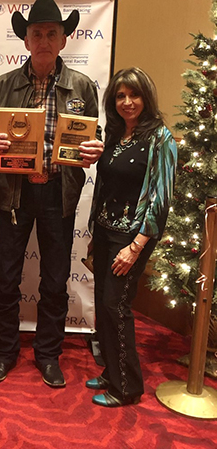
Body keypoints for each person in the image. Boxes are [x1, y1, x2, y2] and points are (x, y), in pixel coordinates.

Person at [0, 0, 104, 388]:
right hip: (13, 195)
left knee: (54, 279)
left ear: (64, 40)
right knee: (5, 277)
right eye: (37, 33)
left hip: (58, 194)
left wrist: (94, 146)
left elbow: (92, 136)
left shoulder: (83, 87)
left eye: (52, 33)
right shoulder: (3, 86)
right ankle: (4, 353)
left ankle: (49, 355)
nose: (44, 40)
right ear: (26, 40)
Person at [86, 67, 176, 407]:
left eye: (134, 95)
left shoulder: (161, 138)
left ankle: (128, 387)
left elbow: (161, 198)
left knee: (116, 306)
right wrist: (96, 232)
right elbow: (107, 186)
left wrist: (136, 247)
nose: (127, 102)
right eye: (120, 96)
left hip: (134, 237)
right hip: (107, 231)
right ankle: (111, 371)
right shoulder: (115, 133)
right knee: (104, 308)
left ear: (146, 98)